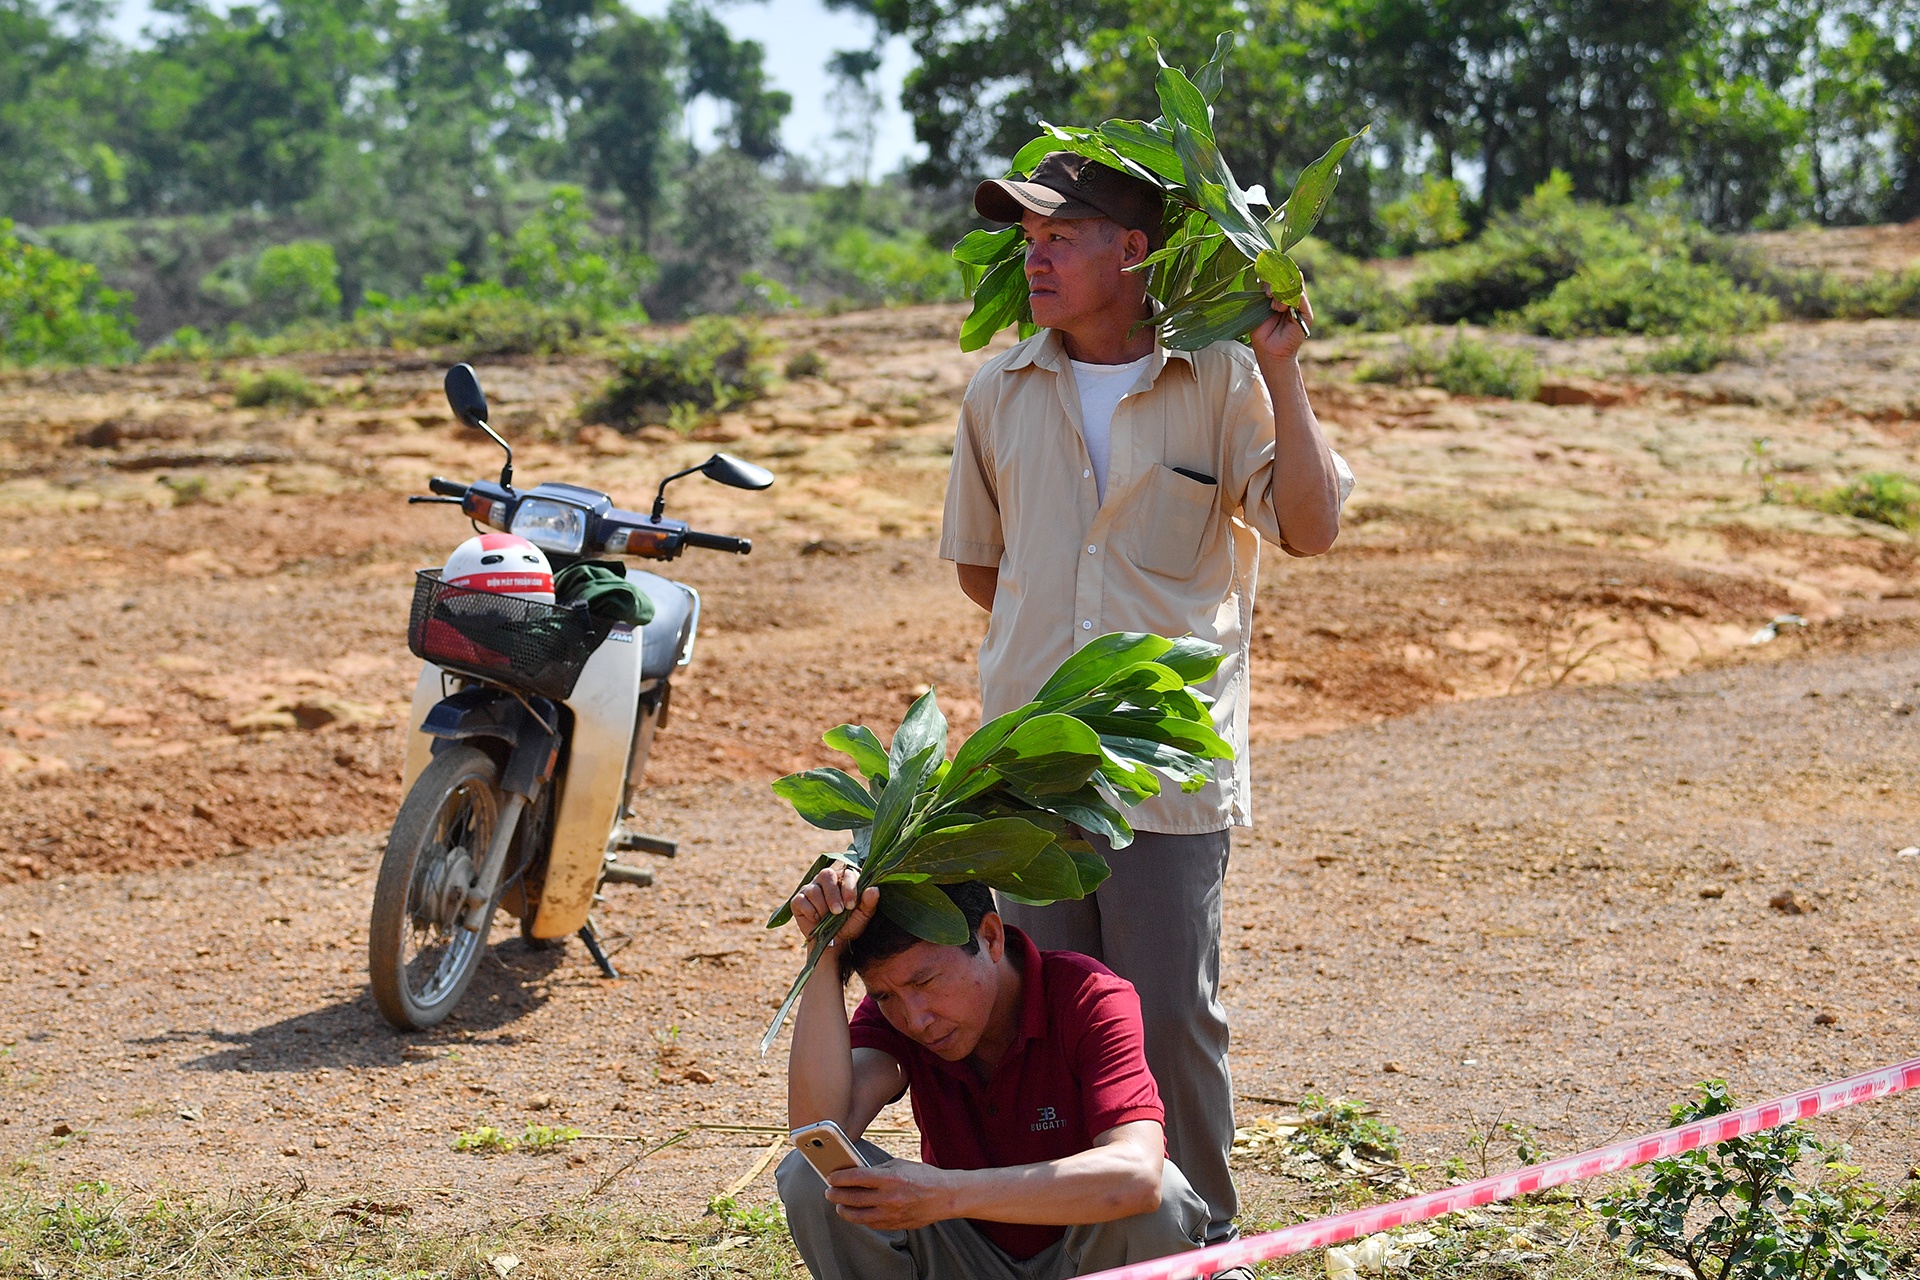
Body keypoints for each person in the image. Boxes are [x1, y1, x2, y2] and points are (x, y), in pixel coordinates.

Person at [940, 151, 1353, 1259]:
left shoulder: (1219, 381)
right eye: (1027, 237)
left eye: (1060, 235)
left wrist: (1286, 375)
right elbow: (988, 570)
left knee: (1169, 1019)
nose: (1035, 255)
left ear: (1134, 250)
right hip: (1026, 764)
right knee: (1033, 1019)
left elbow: (1310, 529)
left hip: (1162, 771)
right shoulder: (997, 390)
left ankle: (1196, 1241)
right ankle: (1058, 1243)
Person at [777, 866, 1209, 1279]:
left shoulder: (1089, 998)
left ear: (990, 937)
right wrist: (824, 955)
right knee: (809, 1174)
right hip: (964, 1258)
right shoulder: (899, 1017)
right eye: (885, 995)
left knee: (1163, 1199)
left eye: (926, 982)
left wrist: (946, 1194)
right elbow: (820, 1130)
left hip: (1085, 1258)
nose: (916, 1019)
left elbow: (1138, 1177)